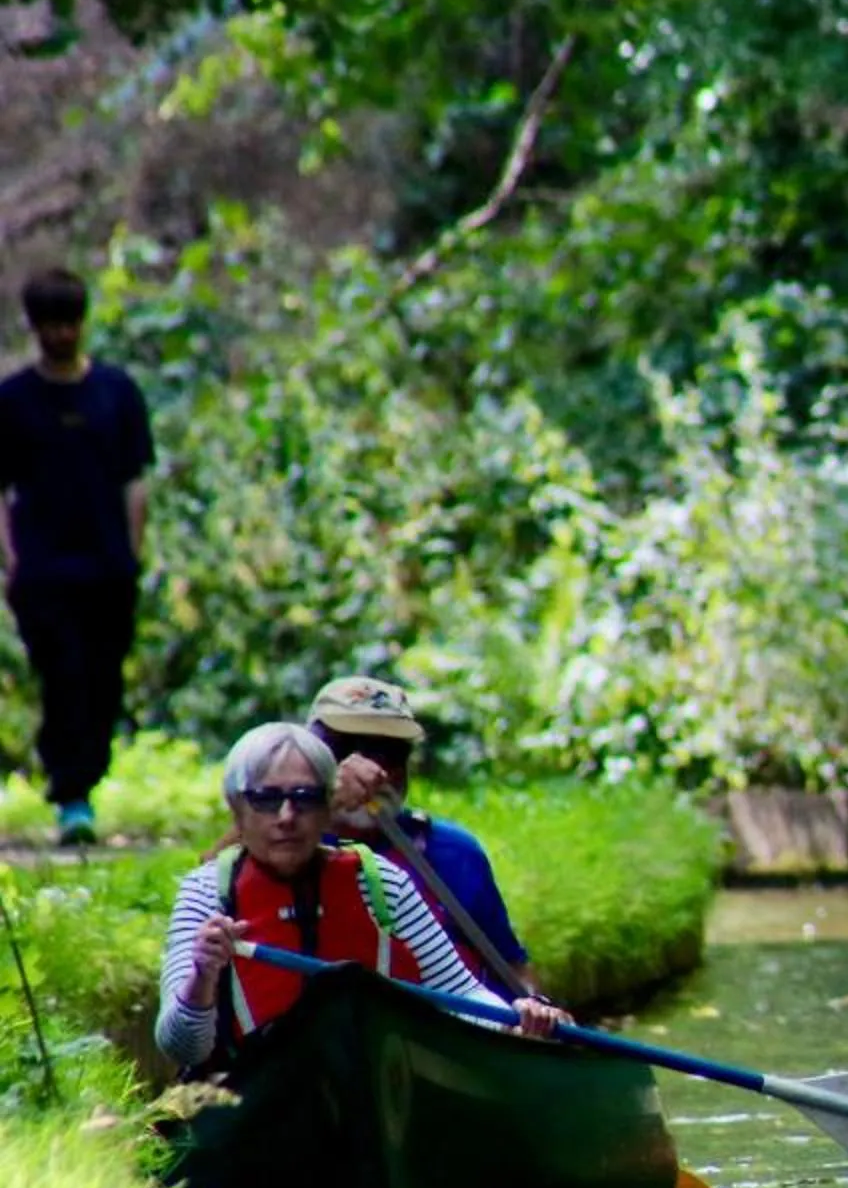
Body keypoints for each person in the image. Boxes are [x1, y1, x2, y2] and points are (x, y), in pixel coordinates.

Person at [156, 722, 567, 1073]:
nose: (286, 817)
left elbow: (462, 995)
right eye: (266, 800)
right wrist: (201, 977)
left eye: (305, 799)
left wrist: (517, 1020)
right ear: (238, 808)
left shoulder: (382, 882)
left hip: (372, 1082)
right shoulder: (206, 893)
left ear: (327, 809)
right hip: (251, 1093)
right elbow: (180, 1047)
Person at [0, 268, 153, 844]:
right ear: (35, 328)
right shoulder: (13, 401)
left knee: (102, 679)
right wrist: (11, 558)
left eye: (70, 322)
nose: (62, 334)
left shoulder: (116, 392)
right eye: (51, 324)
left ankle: (86, 776)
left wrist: (132, 553)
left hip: (108, 566)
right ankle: (72, 795)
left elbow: (135, 480)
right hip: (43, 569)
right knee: (60, 673)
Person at [311, 674, 535, 992]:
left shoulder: (452, 850)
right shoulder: (281, 845)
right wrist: (314, 802)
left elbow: (513, 968)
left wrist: (538, 1011)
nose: (376, 772)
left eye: (391, 752)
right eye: (351, 749)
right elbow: (217, 886)